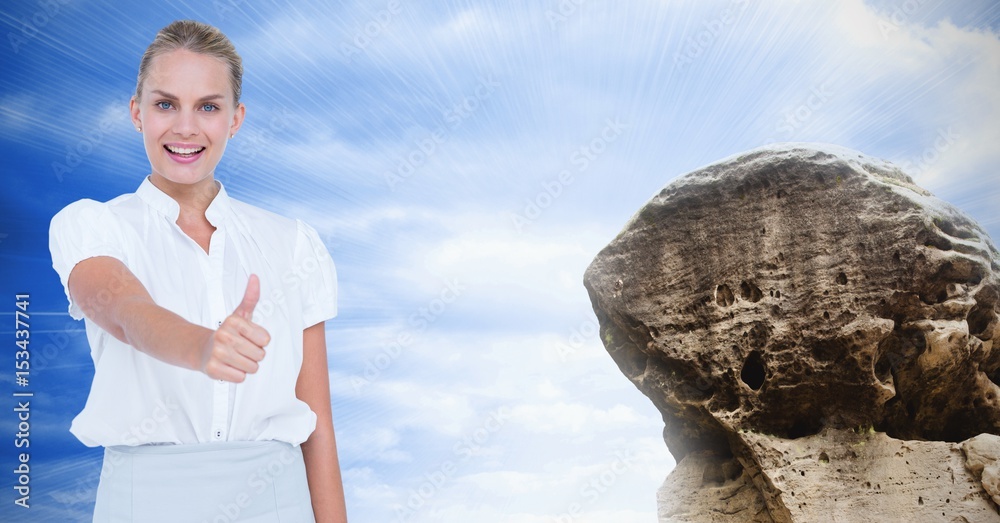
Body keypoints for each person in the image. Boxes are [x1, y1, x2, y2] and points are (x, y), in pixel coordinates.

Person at [48, 19, 348, 522]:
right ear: (136, 113)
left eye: (208, 107)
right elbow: (124, 309)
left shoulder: (293, 244)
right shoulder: (93, 225)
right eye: (165, 104)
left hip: (277, 504)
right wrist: (203, 347)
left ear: (235, 119)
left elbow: (317, 424)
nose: (186, 127)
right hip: (144, 505)